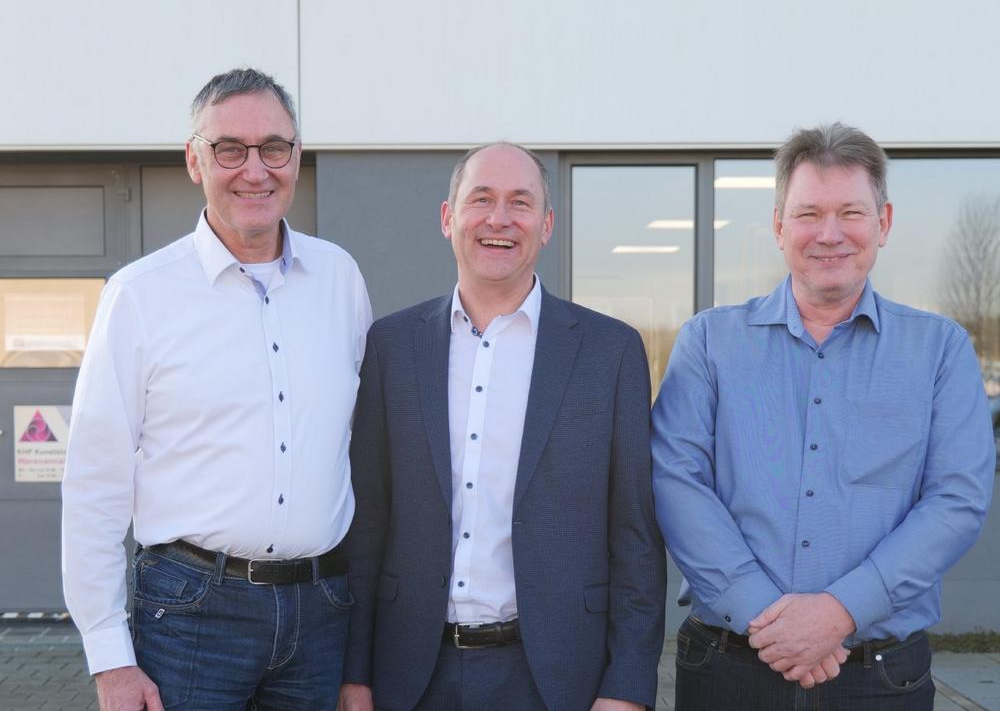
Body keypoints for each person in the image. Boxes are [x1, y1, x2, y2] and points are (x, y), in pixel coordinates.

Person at [651, 122, 995, 710]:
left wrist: (839, 611)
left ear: (883, 222)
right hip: (728, 668)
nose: (829, 234)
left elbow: (956, 498)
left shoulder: (940, 350)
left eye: (850, 213)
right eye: (808, 213)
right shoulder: (709, 342)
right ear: (779, 226)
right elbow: (674, 480)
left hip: (879, 680)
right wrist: (766, 615)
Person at [61, 68, 372, 711]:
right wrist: (110, 659)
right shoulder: (139, 295)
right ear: (193, 160)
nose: (255, 170)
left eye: (273, 148)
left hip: (321, 612)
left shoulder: (339, 279)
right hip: (191, 613)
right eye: (229, 149)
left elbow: (358, 450)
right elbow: (95, 482)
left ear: (297, 157)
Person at [339, 142, 666, 711]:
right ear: (448, 218)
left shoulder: (608, 352)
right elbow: (366, 523)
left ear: (547, 225)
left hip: (556, 678)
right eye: (481, 199)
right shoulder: (392, 347)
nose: (499, 219)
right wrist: (355, 673)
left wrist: (628, 687)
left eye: (520, 202)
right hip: (411, 675)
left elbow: (636, 533)